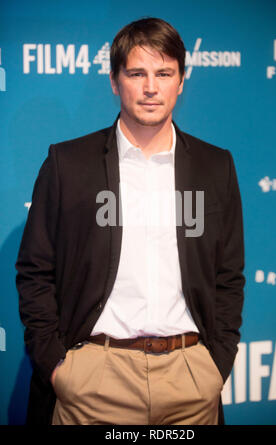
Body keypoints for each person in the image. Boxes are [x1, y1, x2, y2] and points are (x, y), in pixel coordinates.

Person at [16, 17, 245, 426]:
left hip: (189, 381)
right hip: (93, 380)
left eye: (164, 73)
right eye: (137, 73)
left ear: (181, 81)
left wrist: (216, 365)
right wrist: (58, 368)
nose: (151, 87)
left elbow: (228, 274)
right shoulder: (68, 164)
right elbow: (35, 270)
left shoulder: (215, 166)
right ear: (114, 81)